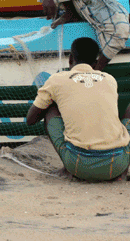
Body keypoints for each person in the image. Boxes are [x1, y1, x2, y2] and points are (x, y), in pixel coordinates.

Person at [26, 37, 130, 181]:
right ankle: (124, 171)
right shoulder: (109, 79)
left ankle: (67, 169)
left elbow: (30, 120)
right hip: (116, 165)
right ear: (95, 63)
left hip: (78, 166)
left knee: (50, 109)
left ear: (70, 59)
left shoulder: (56, 80)